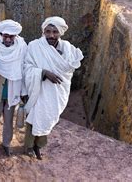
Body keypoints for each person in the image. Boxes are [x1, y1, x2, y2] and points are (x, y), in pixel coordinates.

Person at [23, 16, 84, 160]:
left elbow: (71, 67)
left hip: (57, 92)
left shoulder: (68, 48)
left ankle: (39, 146)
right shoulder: (34, 46)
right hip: (39, 89)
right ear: (43, 31)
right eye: (48, 31)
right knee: (34, 117)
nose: (51, 35)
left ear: (60, 32)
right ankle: (29, 146)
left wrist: (60, 67)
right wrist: (43, 72)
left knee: (49, 117)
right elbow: (26, 67)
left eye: (55, 32)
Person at [0, 19, 27, 156]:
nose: (8, 39)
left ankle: (6, 144)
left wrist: (23, 91)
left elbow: (24, 68)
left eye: (11, 36)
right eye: (5, 36)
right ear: (1, 35)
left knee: (8, 122)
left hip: (12, 91)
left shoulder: (21, 47)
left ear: (15, 36)